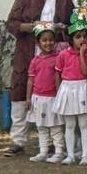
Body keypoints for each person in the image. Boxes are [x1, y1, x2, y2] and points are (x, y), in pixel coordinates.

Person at [3, 0, 74, 156]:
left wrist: (61, 28)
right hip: (27, 53)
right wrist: (33, 26)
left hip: (55, 56)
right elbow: (12, 24)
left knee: (52, 96)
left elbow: (74, 24)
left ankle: (52, 142)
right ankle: (18, 141)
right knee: (19, 95)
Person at [52, 5, 87, 165]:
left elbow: (85, 72)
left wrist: (83, 55)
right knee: (69, 125)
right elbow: (57, 74)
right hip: (67, 89)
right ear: (71, 38)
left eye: (84, 36)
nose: (81, 40)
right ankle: (70, 154)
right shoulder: (63, 55)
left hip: (82, 87)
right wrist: (58, 93)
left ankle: (85, 155)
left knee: (84, 124)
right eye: (78, 36)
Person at [27, 23, 66, 163]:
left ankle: (59, 151)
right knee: (41, 126)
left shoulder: (58, 58)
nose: (48, 43)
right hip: (38, 98)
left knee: (55, 126)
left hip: (52, 97)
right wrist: (28, 98)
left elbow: (58, 78)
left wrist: (59, 95)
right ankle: (43, 151)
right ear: (38, 43)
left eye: (50, 40)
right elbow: (30, 81)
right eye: (44, 40)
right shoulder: (34, 61)